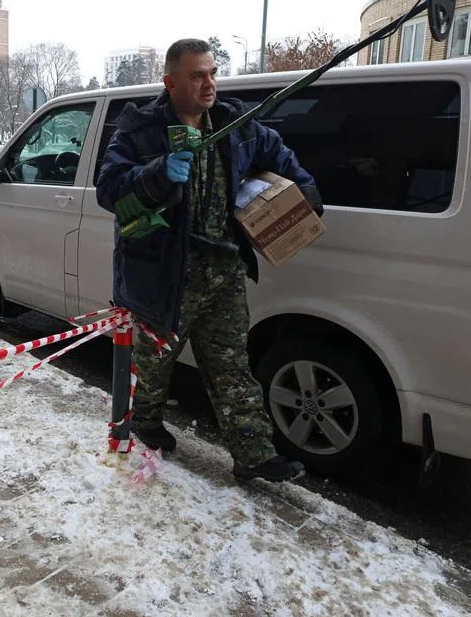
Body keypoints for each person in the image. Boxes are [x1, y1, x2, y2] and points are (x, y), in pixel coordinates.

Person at [95, 38, 324, 483]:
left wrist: (307, 195)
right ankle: (143, 425)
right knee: (153, 365)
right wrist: (155, 173)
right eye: (197, 75)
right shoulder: (140, 129)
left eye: (213, 73)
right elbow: (110, 189)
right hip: (162, 272)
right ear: (171, 81)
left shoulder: (236, 125)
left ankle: (254, 455)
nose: (209, 84)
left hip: (223, 268)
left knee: (230, 363)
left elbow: (281, 159)